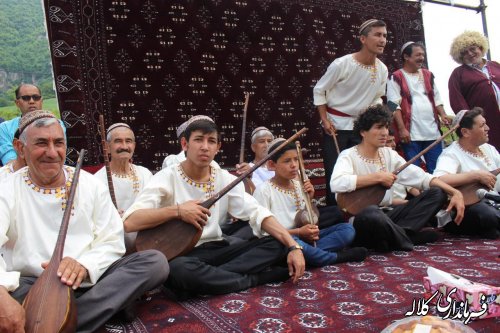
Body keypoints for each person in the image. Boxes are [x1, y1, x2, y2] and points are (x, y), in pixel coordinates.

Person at [0, 110, 169, 333]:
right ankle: (106, 308)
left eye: (58, 143)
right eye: (41, 143)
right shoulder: (7, 188)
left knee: (155, 263)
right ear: (20, 148)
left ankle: (51, 323)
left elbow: (112, 239)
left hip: (90, 279)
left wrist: (84, 265)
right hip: (32, 283)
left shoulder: (90, 185)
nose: (52, 152)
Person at [123, 118, 305, 298]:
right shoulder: (166, 177)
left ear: (218, 147)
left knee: (277, 242)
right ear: (185, 144)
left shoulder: (223, 177)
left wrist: (293, 246)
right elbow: (130, 222)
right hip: (184, 254)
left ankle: (206, 282)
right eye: (198, 139)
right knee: (177, 270)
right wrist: (178, 211)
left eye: (211, 141)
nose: (205, 146)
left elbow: (257, 211)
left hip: (219, 248)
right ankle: (253, 279)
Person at [330, 105, 464, 252]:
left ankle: (394, 237)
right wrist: (377, 177)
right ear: (363, 132)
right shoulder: (348, 155)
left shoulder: (389, 154)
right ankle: (406, 240)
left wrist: (455, 192)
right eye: (379, 127)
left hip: (390, 215)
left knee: (437, 193)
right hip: (362, 219)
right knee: (372, 213)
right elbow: (337, 183)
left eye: (386, 127)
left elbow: (422, 178)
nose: (384, 133)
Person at [253, 138, 367, 266]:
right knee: (294, 243)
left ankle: (308, 255)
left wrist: (310, 199)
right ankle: (335, 257)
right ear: (272, 165)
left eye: (296, 159)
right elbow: (264, 233)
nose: (294, 165)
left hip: (304, 238)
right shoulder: (263, 191)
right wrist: (298, 232)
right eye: (287, 161)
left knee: (347, 229)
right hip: (283, 241)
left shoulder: (299, 185)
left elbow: (308, 217)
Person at [313, 19, 389, 205]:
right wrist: (324, 119)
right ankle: (336, 214)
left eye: (385, 36)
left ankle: (362, 210)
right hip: (336, 126)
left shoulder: (382, 69)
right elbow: (319, 90)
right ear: (363, 38)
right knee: (335, 171)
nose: (382, 40)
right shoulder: (342, 64)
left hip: (361, 128)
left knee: (361, 169)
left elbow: (377, 98)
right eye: (377, 35)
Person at [434, 108, 499, 239]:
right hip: (465, 210)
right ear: (465, 132)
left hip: (494, 202)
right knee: (486, 214)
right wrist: (475, 175)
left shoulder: (489, 149)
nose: (487, 128)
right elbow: (439, 179)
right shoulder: (451, 154)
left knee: (490, 215)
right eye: (482, 125)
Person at [387, 42, 450, 173]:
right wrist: (402, 129)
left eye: (423, 55)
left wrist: (443, 115)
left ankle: (439, 193)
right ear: (406, 56)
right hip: (411, 134)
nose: (422, 58)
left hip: (432, 132)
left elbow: (437, 99)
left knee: (437, 170)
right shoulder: (396, 77)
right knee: (414, 172)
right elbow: (392, 105)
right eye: (418, 55)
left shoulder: (428, 75)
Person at [94, 123, 153, 250]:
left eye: (129, 141)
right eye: (118, 141)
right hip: (112, 246)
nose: (124, 146)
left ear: (134, 146)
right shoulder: (96, 181)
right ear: (107, 147)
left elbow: (156, 207)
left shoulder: (145, 174)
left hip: (146, 242)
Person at [448, 31, 500, 149]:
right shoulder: (458, 74)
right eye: (465, 52)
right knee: (491, 153)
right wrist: (471, 121)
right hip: (483, 124)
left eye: (473, 49)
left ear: (480, 48)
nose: (470, 54)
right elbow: (457, 101)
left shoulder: (496, 66)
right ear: (460, 57)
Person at [0, 84, 66, 165]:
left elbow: (58, 156)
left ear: (41, 101)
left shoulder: (57, 124)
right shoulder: (5, 128)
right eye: (26, 98)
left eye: (36, 97)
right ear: (17, 103)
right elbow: (9, 161)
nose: (31, 101)